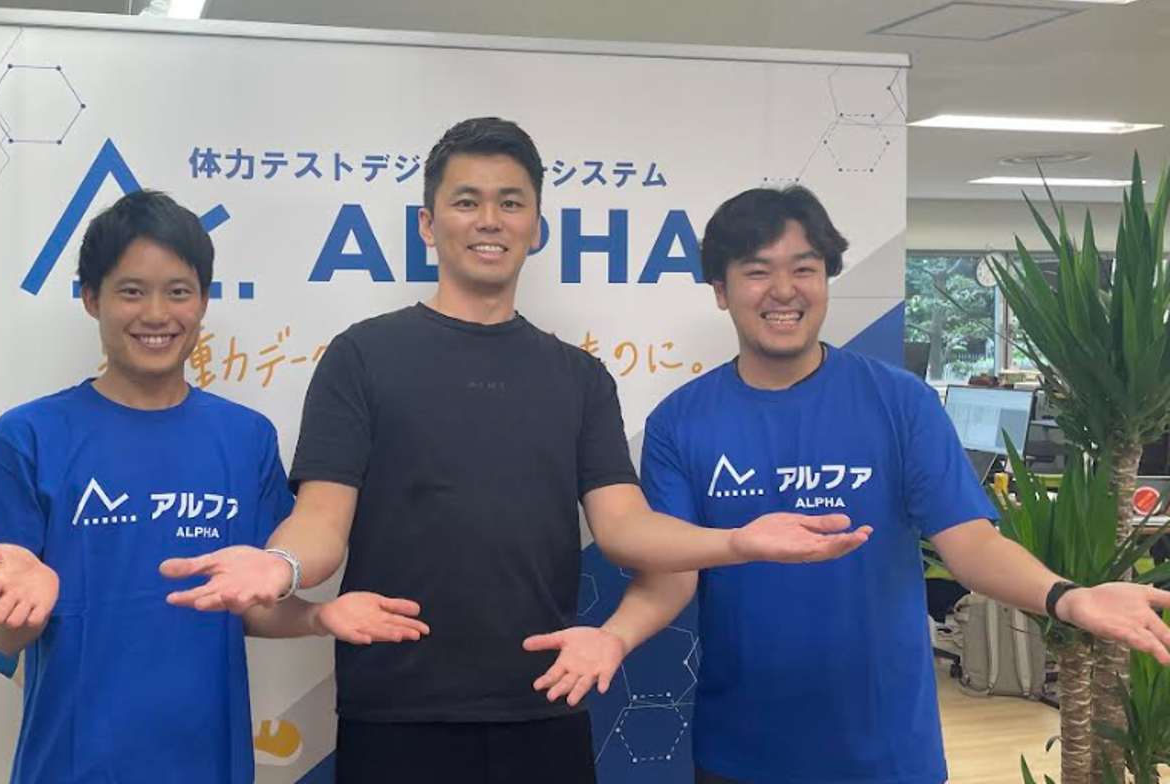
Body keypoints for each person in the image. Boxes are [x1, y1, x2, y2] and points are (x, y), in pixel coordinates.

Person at [158, 119, 872, 784]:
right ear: (428, 224)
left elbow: (624, 527)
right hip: (396, 709)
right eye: (466, 202)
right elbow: (320, 520)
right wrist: (281, 566)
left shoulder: (578, 377)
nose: (489, 220)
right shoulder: (362, 358)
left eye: (510, 202)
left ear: (536, 225)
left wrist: (736, 542)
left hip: (545, 701)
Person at [639, 185, 1170, 784]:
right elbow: (671, 574)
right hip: (741, 751)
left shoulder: (900, 401)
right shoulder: (679, 422)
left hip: (886, 750)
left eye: (804, 269)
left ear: (826, 280)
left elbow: (971, 545)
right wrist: (610, 639)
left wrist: (1066, 597)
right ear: (720, 290)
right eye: (757, 271)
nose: (783, 290)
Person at [0, 190, 427, 784]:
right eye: (131, 291)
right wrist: (21, 610)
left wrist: (320, 617)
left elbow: (249, 602)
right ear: (91, 298)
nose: (156, 314)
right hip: (73, 764)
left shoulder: (245, 437)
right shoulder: (29, 436)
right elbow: (3, 634)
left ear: (203, 301)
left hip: (210, 762)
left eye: (177, 291)